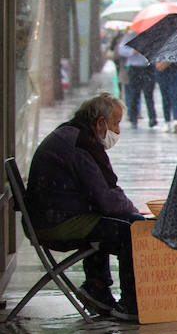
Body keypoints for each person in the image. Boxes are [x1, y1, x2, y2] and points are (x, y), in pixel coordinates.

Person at [26, 93, 143, 318]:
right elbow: (106, 199)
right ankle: (131, 304)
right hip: (56, 223)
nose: (118, 131)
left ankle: (97, 288)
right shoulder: (81, 144)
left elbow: (102, 195)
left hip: (52, 215)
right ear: (100, 122)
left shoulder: (74, 134)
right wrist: (135, 213)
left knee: (117, 221)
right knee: (132, 230)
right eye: (115, 123)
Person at [118, 33, 157, 129]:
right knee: (135, 94)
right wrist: (132, 51)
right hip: (135, 68)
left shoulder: (151, 36)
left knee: (149, 94)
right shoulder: (129, 36)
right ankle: (133, 117)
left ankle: (152, 118)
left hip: (148, 68)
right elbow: (121, 49)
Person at [154, 61, 177, 132]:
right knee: (165, 98)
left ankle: (175, 119)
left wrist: (168, 62)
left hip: (176, 71)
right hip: (162, 73)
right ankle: (167, 121)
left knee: (174, 96)